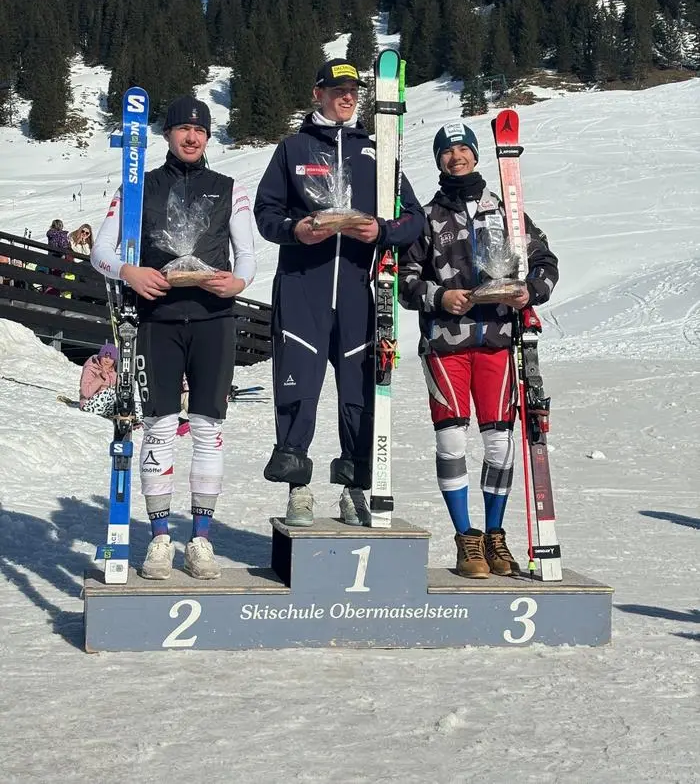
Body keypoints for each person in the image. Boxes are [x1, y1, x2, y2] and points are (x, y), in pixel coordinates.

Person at [254, 58, 424, 528]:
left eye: (353, 90)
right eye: (337, 89)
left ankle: (354, 488)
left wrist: (382, 231)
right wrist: (296, 230)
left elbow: (415, 218)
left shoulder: (377, 151)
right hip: (302, 288)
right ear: (318, 94)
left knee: (359, 391)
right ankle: (298, 489)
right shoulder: (293, 148)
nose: (347, 97)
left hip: (356, 290)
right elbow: (266, 213)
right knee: (298, 386)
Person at [91, 94, 256, 581]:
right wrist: (129, 272)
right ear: (165, 135)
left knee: (207, 428)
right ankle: (160, 537)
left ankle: (200, 540)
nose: (191, 136)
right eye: (182, 128)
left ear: (208, 137)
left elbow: (247, 256)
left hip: (213, 320)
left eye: (199, 129)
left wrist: (239, 283)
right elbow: (101, 250)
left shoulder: (229, 188)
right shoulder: (138, 186)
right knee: (160, 426)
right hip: (156, 322)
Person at [398, 122, 559, 579]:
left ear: (475, 154)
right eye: (446, 151)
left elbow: (545, 262)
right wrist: (437, 297)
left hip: (496, 341)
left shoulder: (506, 210)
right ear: (438, 160)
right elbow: (405, 277)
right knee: (451, 438)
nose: (455, 157)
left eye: (462, 149)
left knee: (498, 440)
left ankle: (494, 534)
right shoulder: (427, 217)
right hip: (446, 344)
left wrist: (528, 292)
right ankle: (465, 537)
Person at [79, 343, 119, 417]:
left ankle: (135, 419)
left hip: (105, 405)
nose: (107, 360)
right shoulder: (91, 368)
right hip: (89, 404)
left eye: (111, 358)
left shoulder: (113, 373)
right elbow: (85, 393)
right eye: (105, 357)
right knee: (112, 392)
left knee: (128, 392)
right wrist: (100, 377)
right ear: (100, 356)